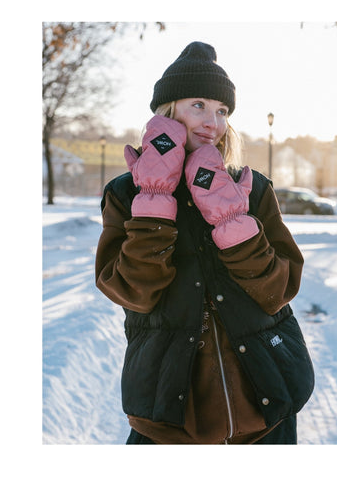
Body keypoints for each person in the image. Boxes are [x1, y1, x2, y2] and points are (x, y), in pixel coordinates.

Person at [95, 41, 314, 444]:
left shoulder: (250, 188)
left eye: (222, 110)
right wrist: (155, 201)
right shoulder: (126, 194)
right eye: (198, 105)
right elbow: (131, 291)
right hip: (169, 413)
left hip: (266, 403)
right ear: (167, 112)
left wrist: (234, 223)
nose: (213, 122)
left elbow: (279, 289)